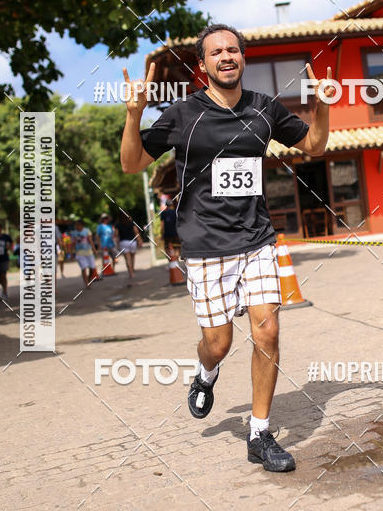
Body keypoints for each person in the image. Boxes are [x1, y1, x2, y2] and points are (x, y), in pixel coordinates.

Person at [120, 23, 334, 473]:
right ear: (203, 65)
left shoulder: (264, 108)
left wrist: (321, 107)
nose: (226, 56)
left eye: (233, 49)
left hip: (256, 239)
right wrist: (133, 115)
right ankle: (206, 373)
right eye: (216, 52)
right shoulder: (183, 114)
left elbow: (314, 145)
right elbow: (131, 163)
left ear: (243, 58)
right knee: (218, 344)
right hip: (204, 246)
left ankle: (259, 434)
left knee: (268, 333)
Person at [113, 209, 141, 286]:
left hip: (123, 242)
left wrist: (117, 244)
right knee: (132, 257)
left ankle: (131, 273)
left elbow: (116, 235)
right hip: (133, 242)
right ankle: (132, 268)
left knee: (127, 259)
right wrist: (139, 240)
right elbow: (136, 232)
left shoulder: (118, 224)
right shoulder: (131, 222)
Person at [72, 219, 98, 287]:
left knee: (92, 267)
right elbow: (73, 243)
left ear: (82, 225)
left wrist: (94, 250)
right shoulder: (74, 233)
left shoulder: (87, 231)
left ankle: (89, 279)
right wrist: (72, 253)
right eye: (76, 225)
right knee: (84, 268)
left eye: (78, 225)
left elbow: (90, 241)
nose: (77, 226)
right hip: (79, 253)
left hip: (89, 252)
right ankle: (86, 283)